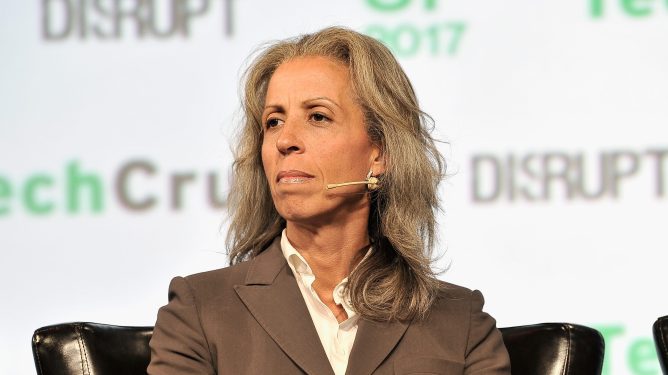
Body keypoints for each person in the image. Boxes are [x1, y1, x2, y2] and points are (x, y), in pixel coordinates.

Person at [148, 26, 510, 375]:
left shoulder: (460, 322)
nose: (285, 140)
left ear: (379, 154)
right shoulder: (200, 309)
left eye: (318, 117)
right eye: (273, 121)